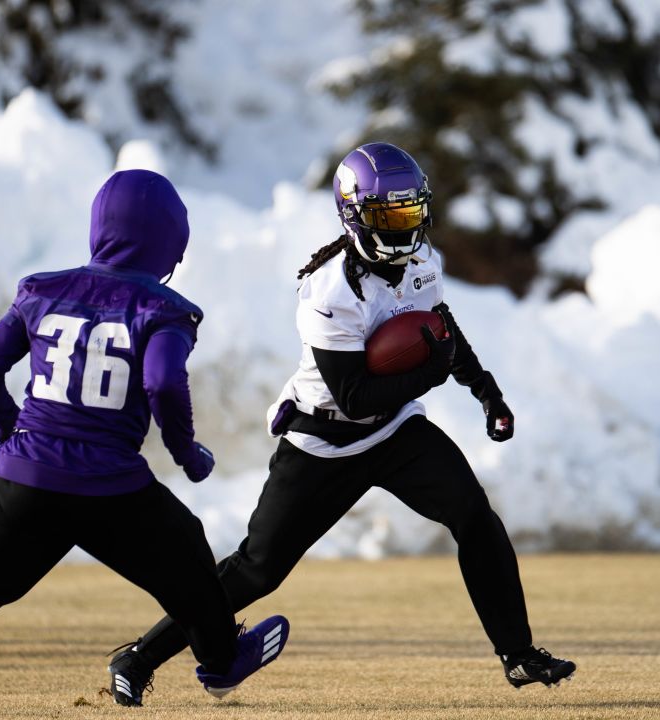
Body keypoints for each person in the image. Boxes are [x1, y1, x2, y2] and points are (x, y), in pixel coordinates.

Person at [106, 143, 575, 697]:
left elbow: (440, 328)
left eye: (410, 211)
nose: (404, 228)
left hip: (395, 427)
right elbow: (354, 396)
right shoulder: (329, 288)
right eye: (388, 215)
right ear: (354, 214)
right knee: (258, 568)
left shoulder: (423, 261)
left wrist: (486, 393)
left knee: (474, 514)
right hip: (323, 438)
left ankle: (517, 654)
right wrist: (433, 372)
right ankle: (139, 657)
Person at [0, 169, 289, 707]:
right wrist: (187, 453)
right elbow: (163, 381)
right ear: (171, 243)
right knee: (188, 556)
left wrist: (8, 424)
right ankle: (220, 661)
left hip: (25, 478)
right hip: (108, 489)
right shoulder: (164, 309)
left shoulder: (41, 290)